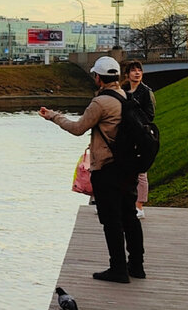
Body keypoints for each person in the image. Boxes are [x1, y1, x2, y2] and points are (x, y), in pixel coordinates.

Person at [39, 55, 145, 282]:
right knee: (130, 217)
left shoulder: (100, 103)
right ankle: (136, 266)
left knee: (111, 220)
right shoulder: (126, 96)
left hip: (107, 168)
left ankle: (118, 269)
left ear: (98, 78)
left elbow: (78, 128)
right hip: (128, 167)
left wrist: (53, 116)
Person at [122, 58, 156, 219]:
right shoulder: (122, 90)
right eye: (134, 70)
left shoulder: (146, 92)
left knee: (141, 172)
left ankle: (139, 205)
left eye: (139, 70)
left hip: (141, 135)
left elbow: (150, 115)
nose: (137, 73)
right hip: (124, 134)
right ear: (127, 74)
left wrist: (135, 114)